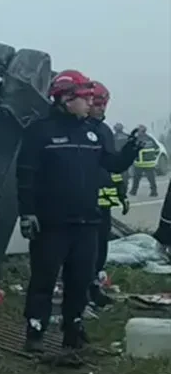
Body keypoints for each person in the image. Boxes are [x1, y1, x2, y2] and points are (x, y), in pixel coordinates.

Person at [17, 71, 138, 358]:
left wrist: (132, 147)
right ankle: (35, 332)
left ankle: (73, 333)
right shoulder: (40, 131)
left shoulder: (92, 132)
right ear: (66, 98)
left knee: (79, 281)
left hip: (87, 223)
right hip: (52, 224)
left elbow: (113, 163)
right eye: (85, 98)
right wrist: (27, 213)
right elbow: (26, 175)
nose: (90, 103)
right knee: (43, 280)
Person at [85, 83, 128, 309]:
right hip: (82, 202)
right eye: (98, 104)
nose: (102, 109)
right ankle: (80, 290)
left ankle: (94, 288)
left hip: (103, 203)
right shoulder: (80, 129)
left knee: (100, 248)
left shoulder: (104, 130)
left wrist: (121, 192)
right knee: (84, 250)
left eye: (104, 104)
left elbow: (113, 166)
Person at [128, 125, 161, 197]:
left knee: (136, 178)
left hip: (139, 164)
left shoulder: (138, 139)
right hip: (149, 163)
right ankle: (154, 192)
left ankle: (133, 191)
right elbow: (157, 149)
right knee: (151, 179)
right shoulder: (150, 138)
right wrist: (153, 158)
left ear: (140, 131)